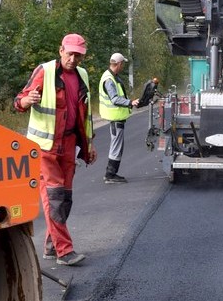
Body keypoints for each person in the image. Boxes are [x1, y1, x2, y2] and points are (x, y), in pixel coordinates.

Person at [13, 33, 98, 266]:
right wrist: (26, 101)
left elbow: (86, 114)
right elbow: (19, 100)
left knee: (65, 199)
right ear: (60, 50)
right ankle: (64, 251)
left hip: (69, 145)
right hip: (45, 148)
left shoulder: (82, 75)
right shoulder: (45, 71)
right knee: (55, 198)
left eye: (78, 55)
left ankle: (51, 246)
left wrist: (89, 145)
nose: (73, 58)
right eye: (69, 53)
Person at [99, 52, 138, 183]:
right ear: (119, 64)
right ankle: (110, 174)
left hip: (117, 118)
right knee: (116, 147)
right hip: (115, 118)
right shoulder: (109, 80)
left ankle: (111, 173)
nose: (123, 67)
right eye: (123, 64)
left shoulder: (112, 76)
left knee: (117, 146)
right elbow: (115, 99)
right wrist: (129, 102)